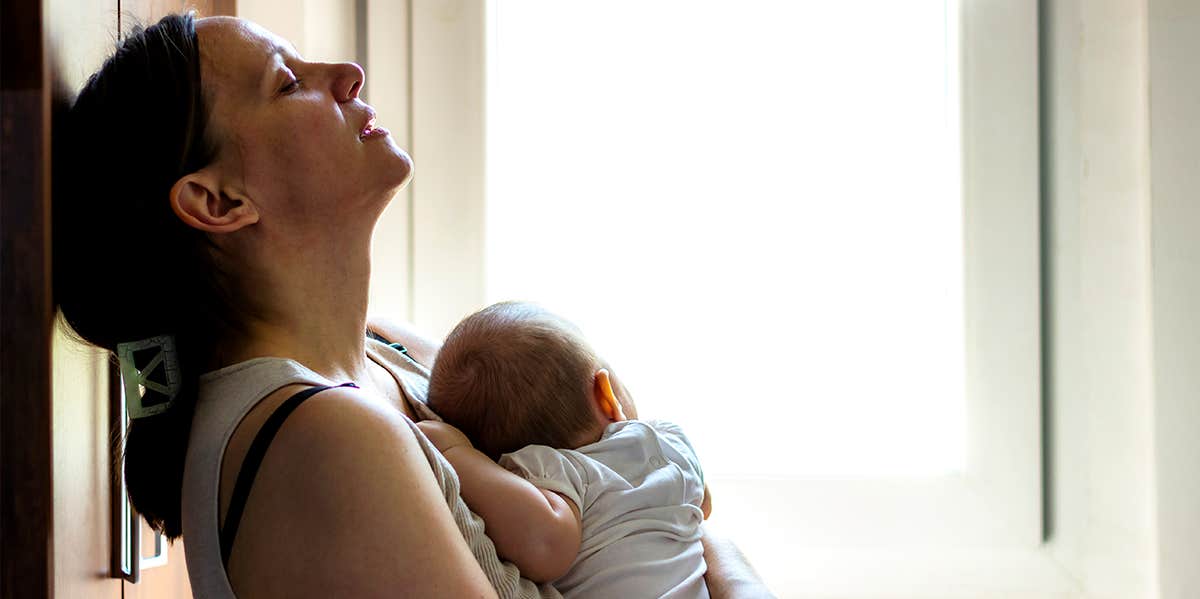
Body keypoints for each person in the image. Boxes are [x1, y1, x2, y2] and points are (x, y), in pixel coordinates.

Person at [51, 11, 772, 599]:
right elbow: (672, 515)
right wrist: (736, 571)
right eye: (285, 81)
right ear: (219, 200)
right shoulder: (324, 438)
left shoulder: (389, 352)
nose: (344, 75)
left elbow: (630, 484)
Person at [420, 301, 711, 597]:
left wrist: (454, 452)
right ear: (606, 395)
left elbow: (545, 548)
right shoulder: (668, 440)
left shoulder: (554, 473)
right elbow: (703, 506)